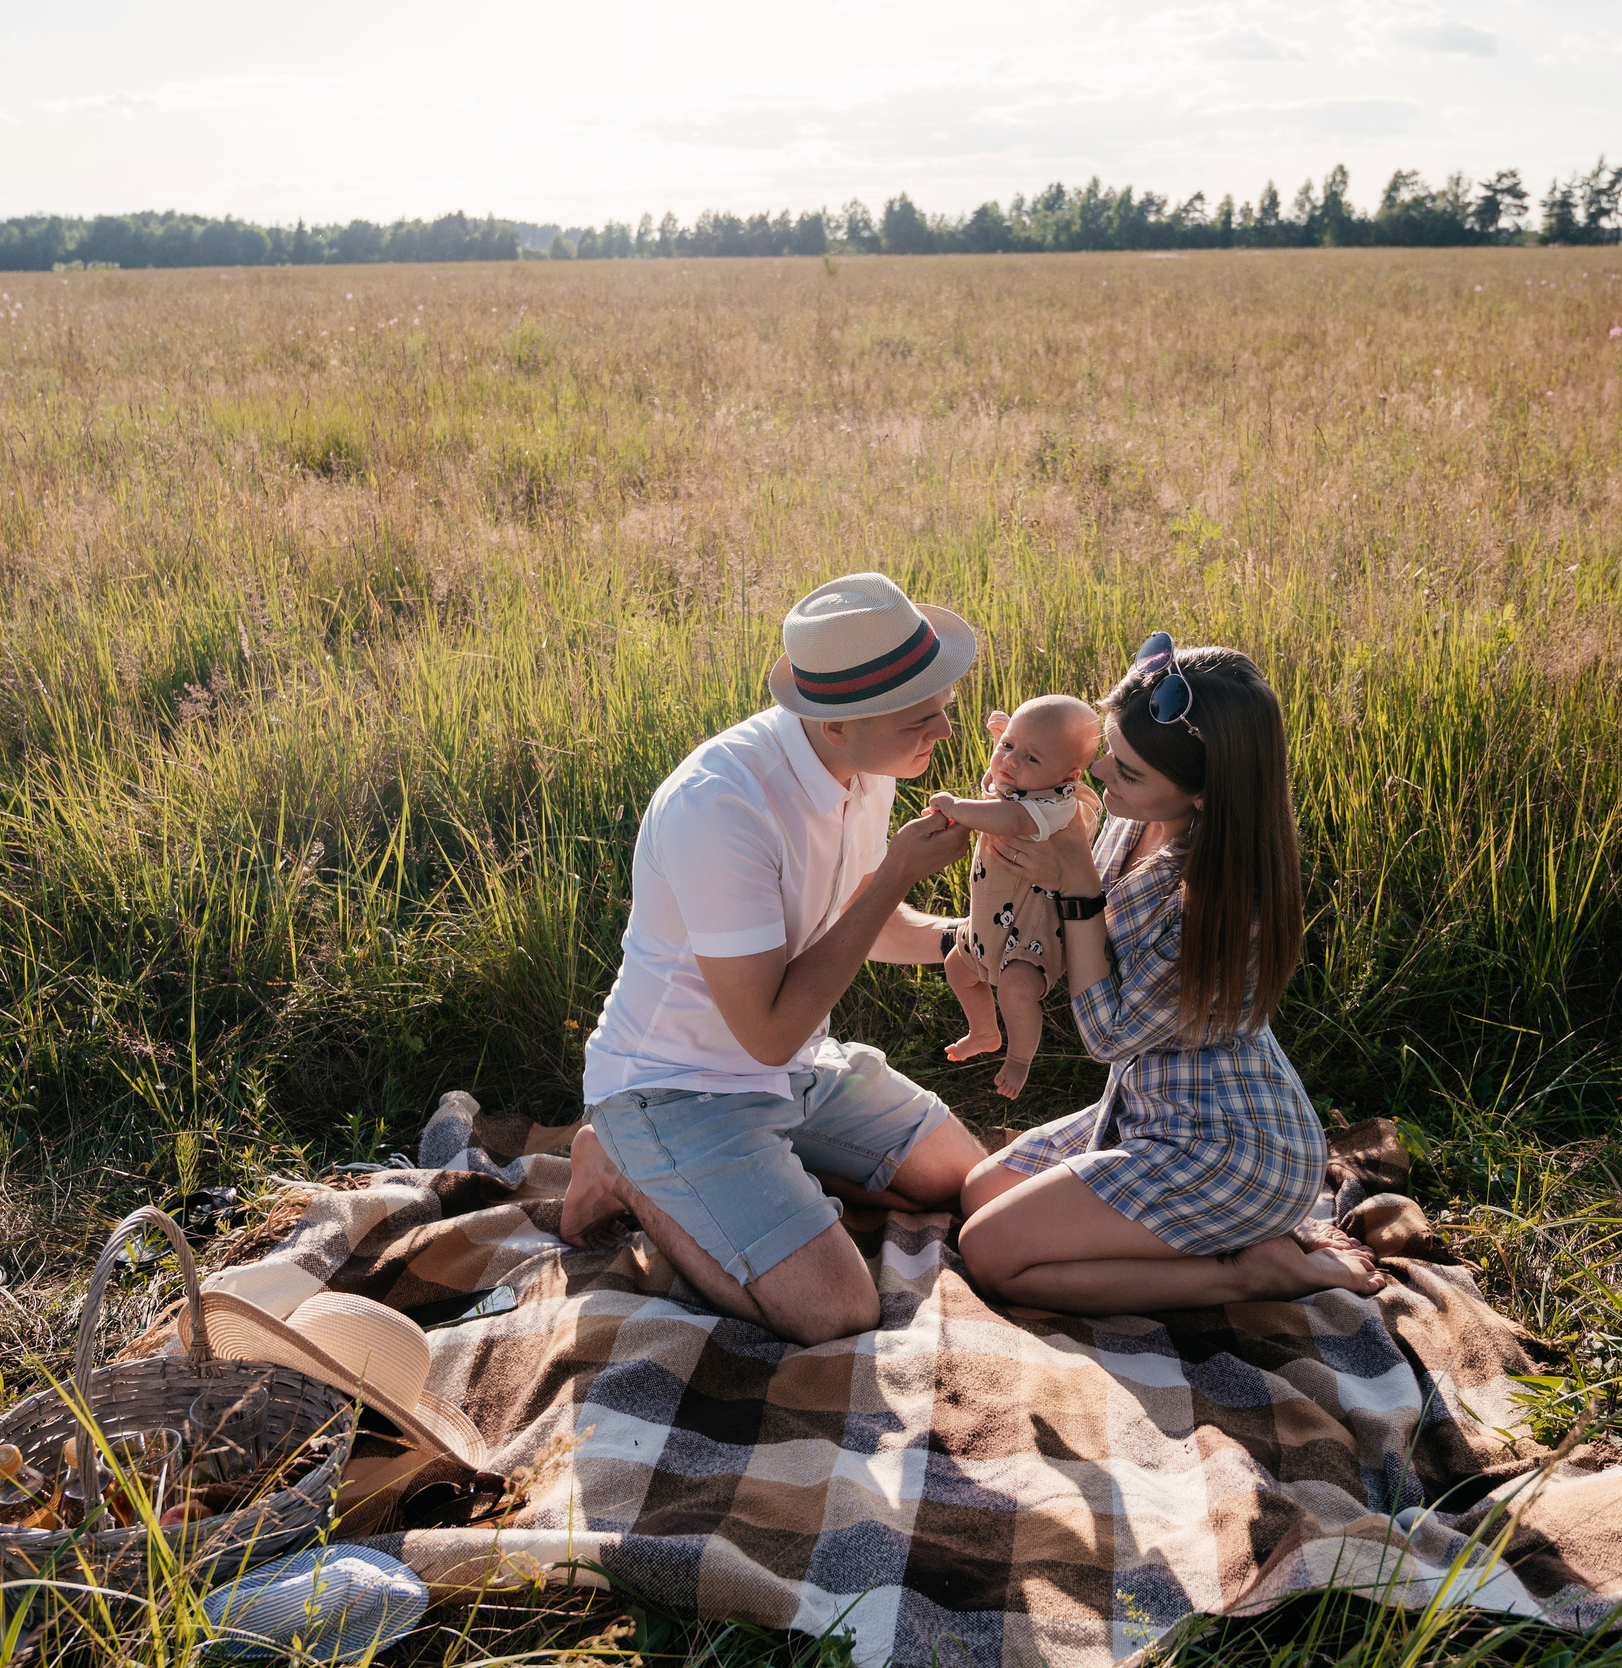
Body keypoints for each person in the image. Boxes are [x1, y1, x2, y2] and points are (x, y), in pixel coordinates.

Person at [561, 573, 987, 1345]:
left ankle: (761, 1170)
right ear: (836, 725)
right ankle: (625, 1169)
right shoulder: (721, 806)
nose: (946, 731)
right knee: (836, 1312)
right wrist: (899, 870)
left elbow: (861, 922)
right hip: (677, 1088)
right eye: (921, 719)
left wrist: (967, 940)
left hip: (798, 1066)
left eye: (944, 707)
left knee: (969, 1180)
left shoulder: (865, 764)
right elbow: (766, 1032)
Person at [955, 635, 1388, 1314]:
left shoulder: (1221, 898)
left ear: (1205, 795)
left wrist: (1076, 886)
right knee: (979, 1192)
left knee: (990, 1254)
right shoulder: (1136, 818)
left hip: (1229, 1146)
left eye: (1127, 772)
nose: (1100, 771)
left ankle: (1252, 1272)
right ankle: (1242, 1240)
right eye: (1109, 751)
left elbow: (1107, 1036)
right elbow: (1070, 927)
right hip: (1144, 1105)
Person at [927, 694, 1103, 1100]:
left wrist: (955, 806)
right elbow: (1000, 781)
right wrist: (1004, 744)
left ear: (1069, 777)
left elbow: (1010, 819)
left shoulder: (1056, 806)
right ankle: (984, 1031)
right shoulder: (1019, 783)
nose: (1010, 762)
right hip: (986, 927)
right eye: (1008, 745)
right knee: (957, 968)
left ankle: (1020, 1058)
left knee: (1016, 990)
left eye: (1032, 757)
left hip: (1028, 937)